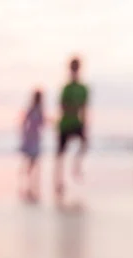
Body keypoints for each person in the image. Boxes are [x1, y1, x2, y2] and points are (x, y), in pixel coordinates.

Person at [55, 57, 89, 194]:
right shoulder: (66, 88)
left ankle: (76, 167)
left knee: (84, 144)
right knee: (60, 154)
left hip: (76, 123)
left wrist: (84, 125)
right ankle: (59, 181)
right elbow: (62, 106)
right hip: (65, 124)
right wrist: (72, 108)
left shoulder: (83, 88)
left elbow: (85, 108)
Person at [20, 90, 44, 200]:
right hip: (31, 137)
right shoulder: (33, 109)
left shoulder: (39, 109)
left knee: (34, 159)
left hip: (35, 137)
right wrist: (25, 133)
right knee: (32, 159)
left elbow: (41, 123)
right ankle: (29, 178)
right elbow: (25, 121)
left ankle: (32, 179)